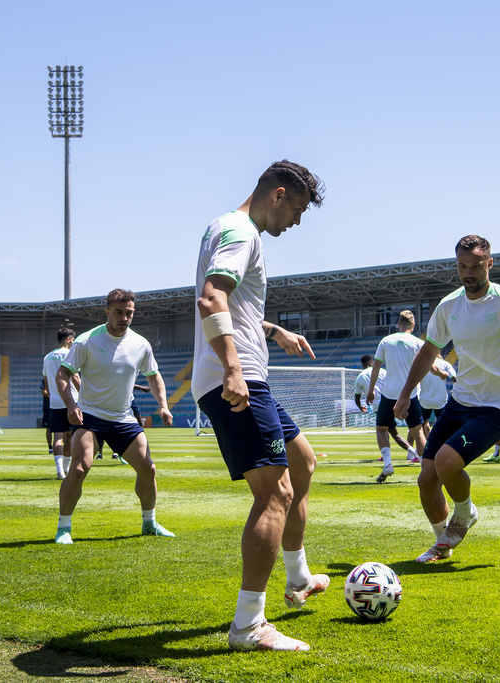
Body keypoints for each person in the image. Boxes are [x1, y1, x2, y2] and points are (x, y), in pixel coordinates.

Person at [193, 160, 327, 652]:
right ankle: (248, 625)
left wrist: (274, 331)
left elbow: (234, 303)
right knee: (276, 495)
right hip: (237, 378)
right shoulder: (241, 231)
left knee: (303, 460)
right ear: (277, 194)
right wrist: (231, 367)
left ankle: (297, 579)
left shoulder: (225, 228)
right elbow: (212, 299)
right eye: (296, 209)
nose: (295, 222)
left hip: (248, 373)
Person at [393, 235, 500, 563]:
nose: (468, 272)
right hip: (461, 401)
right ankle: (443, 544)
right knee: (426, 479)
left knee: (445, 463)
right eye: (462, 266)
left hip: (498, 406)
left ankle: (465, 513)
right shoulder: (449, 306)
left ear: (490, 264)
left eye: (476, 266)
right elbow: (429, 351)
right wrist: (405, 394)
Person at [54, 289, 174, 545]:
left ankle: (149, 523)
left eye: (129, 312)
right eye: (118, 312)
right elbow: (62, 374)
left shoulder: (140, 344)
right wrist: (71, 404)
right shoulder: (87, 341)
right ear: (107, 312)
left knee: (148, 468)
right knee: (78, 468)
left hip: (123, 418)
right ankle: (64, 528)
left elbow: (153, 376)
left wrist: (163, 406)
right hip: (91, 416)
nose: (124, 317)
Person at [366, 310, 427, 482]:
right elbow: (424, 368)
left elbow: (376, 367)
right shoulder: (417, 342)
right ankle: (425, 470)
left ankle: (388, 465)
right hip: (410, 393)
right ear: (413, 325)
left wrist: (371, 390)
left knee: (381, 429)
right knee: (418, 432)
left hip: (390, 392)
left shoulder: (386, 340)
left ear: (398, 324)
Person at [353, 354, 415, 456]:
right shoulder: (382, 371)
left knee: (392, 433)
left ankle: (415, 453)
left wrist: (360, 406)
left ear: (363, 364)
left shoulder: (359, 378)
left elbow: (357, 397)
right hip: (390, 400)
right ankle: (387, 454)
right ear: (371, 362)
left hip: (378, 405)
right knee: (386, 429)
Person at [43, 328, 79, 478]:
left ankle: (60, 471)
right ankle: (67, 469)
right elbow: (75, 377)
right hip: (71, 400)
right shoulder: (69, 355)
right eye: (72, 339)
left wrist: (53, 397)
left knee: (57, 437)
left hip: (55, 402)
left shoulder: (47, 357)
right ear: (68, 339)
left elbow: (46, 383)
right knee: (71, 436)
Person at [418, 349, 456, 439]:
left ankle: (426, 444)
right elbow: (454, 378)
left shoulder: (423, 363)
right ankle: (440, 444)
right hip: (440, 400)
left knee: (424, 422)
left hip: (425, 400)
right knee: (442, 424)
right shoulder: (445, 364)